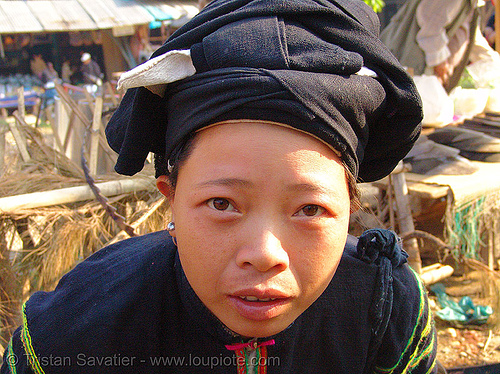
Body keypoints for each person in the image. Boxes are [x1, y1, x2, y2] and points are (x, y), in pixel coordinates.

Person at [2, 0, 439, 373]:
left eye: (309, 209)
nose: (265, 254)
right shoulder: (76, 330)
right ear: (170, 198)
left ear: (350, 207)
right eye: (222, 203)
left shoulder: (383, 307)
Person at [381, 0, 500, 92]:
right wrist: (441, 63)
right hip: (411, 67)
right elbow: (430, 29)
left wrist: (494, 62)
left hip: (421, 73)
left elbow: (471, 37)